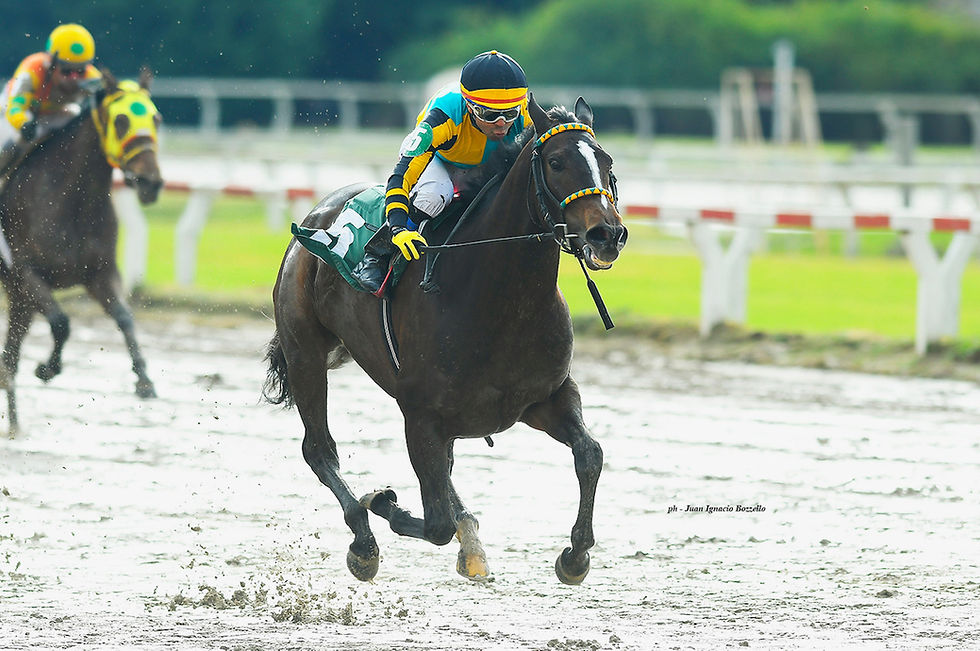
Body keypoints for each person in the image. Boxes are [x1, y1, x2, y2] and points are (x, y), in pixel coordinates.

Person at [353, 50, 531, 293]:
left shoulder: (527, 115)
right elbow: (400, 177)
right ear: (469, 106)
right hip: (442, 160)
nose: (501, 124)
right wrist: (398, 229)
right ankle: (376, 255)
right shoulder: (441, 118)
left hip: (488, 164)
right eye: (489, 115)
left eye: (510, 114)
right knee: (434, 195)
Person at [0, 23, 102, 178]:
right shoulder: (31, 71)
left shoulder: (92, 78)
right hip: (15, 114)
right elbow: (15, 108)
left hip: (56, 114)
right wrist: (22, 124)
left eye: (80, 70)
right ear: (51, 64)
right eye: (67, 71)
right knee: (11, 144)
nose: (74, 78)